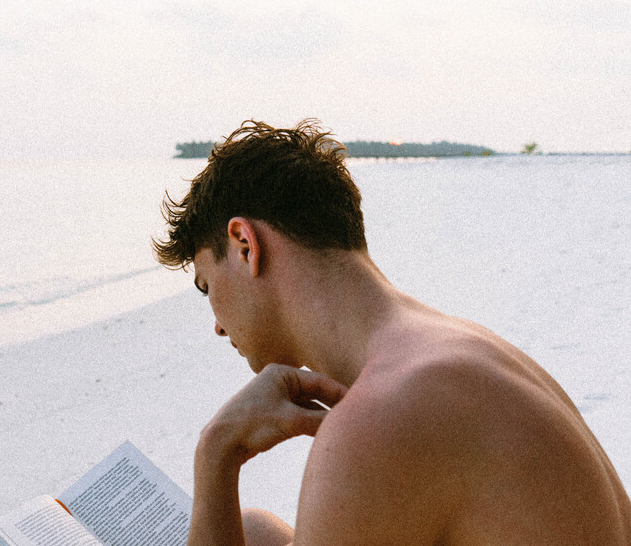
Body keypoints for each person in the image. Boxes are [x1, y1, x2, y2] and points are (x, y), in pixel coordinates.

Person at [153, 119, 631, 545]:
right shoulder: (452, 351)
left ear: (243, 244)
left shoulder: (384, 415)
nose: (217, 324)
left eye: (206, 285)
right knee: (255, 533)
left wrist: (216, 453)